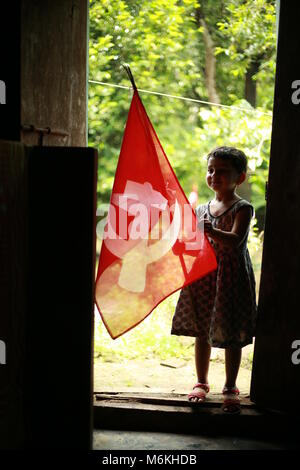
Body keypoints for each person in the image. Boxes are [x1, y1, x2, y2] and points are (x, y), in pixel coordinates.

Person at [171, 146, 257, 414]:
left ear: (239, 178)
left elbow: (235, 242)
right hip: (205, 276)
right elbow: (199, 245)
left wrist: (212, 230)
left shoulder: (243, 208)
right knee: (202, 330)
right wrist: (181, 247)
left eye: (222, 171)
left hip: (231, 278)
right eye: (210, 170)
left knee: (230, 331)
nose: (214, 175)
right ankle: (201, 382)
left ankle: (231, 387)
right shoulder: (202, 210)